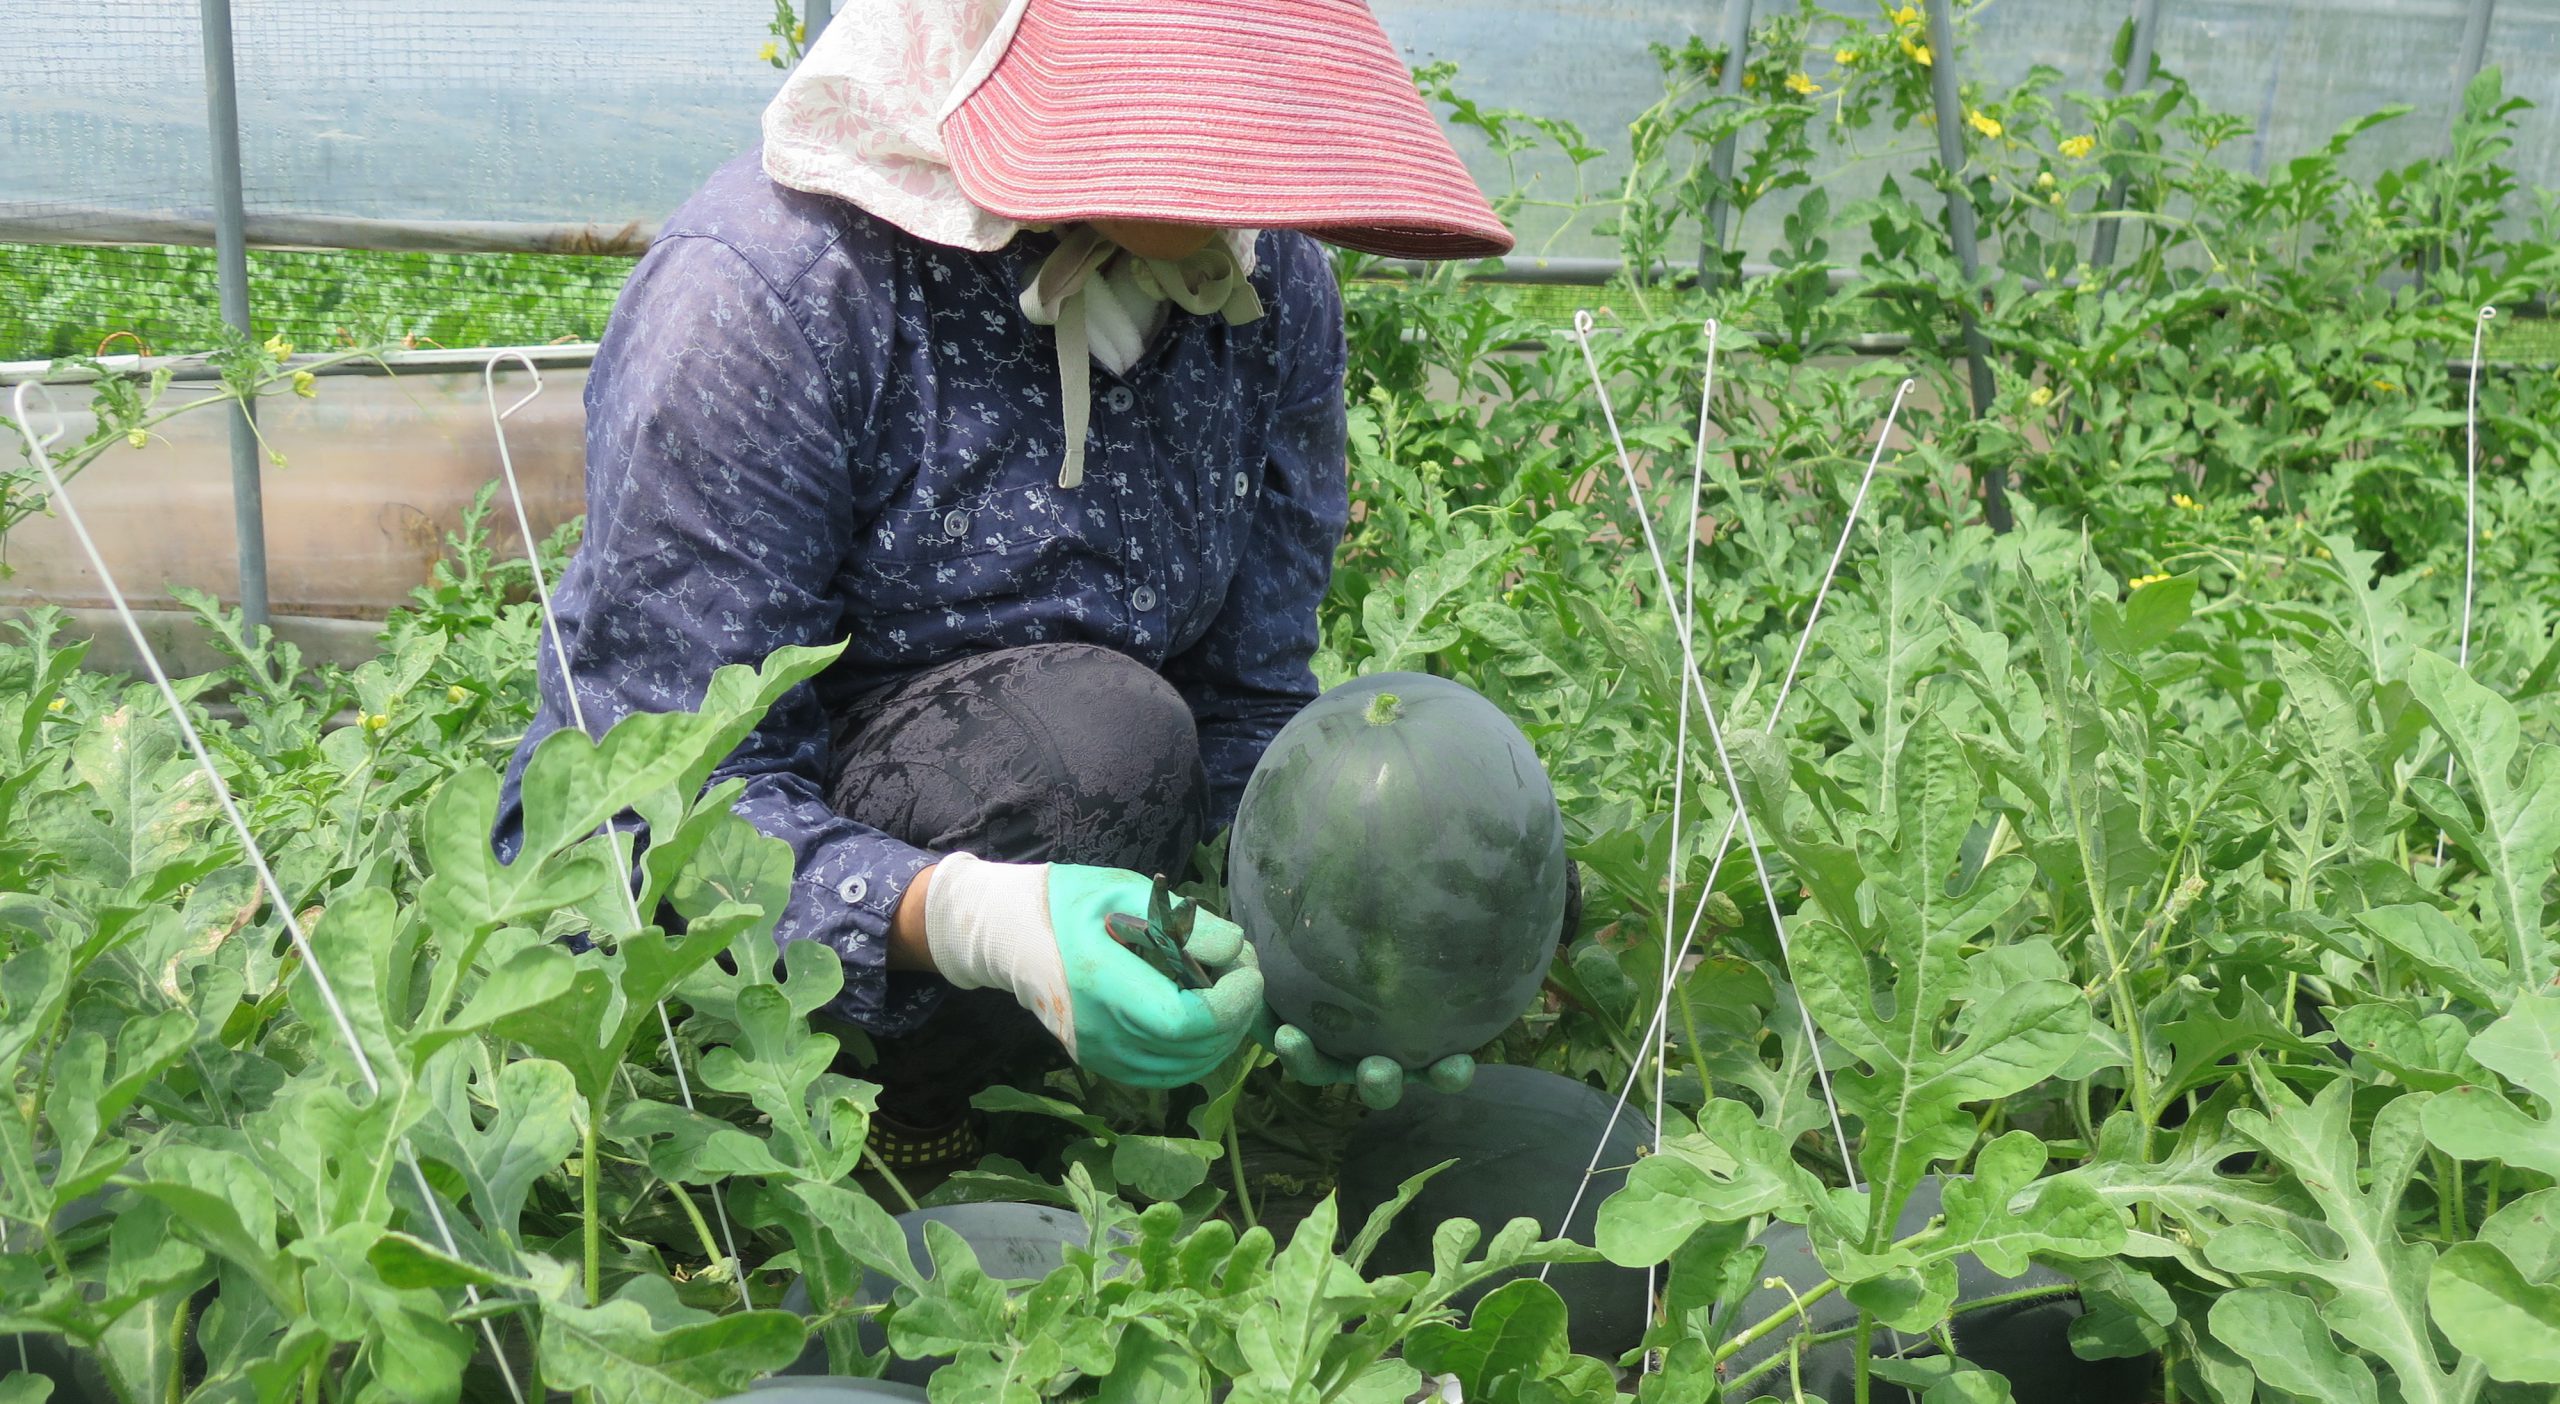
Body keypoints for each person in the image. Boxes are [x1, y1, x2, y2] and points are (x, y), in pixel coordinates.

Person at [492, 0, 1520, 1164]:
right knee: (1095, 748)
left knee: (1433, 813)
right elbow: (643, 804)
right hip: (744, 908)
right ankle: (894, 1118)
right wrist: (973, 919)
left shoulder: (1268, 290)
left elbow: (1246, 698)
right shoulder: (772, 291)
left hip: (1087, 808)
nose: (1225, 176)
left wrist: (1331, 942)